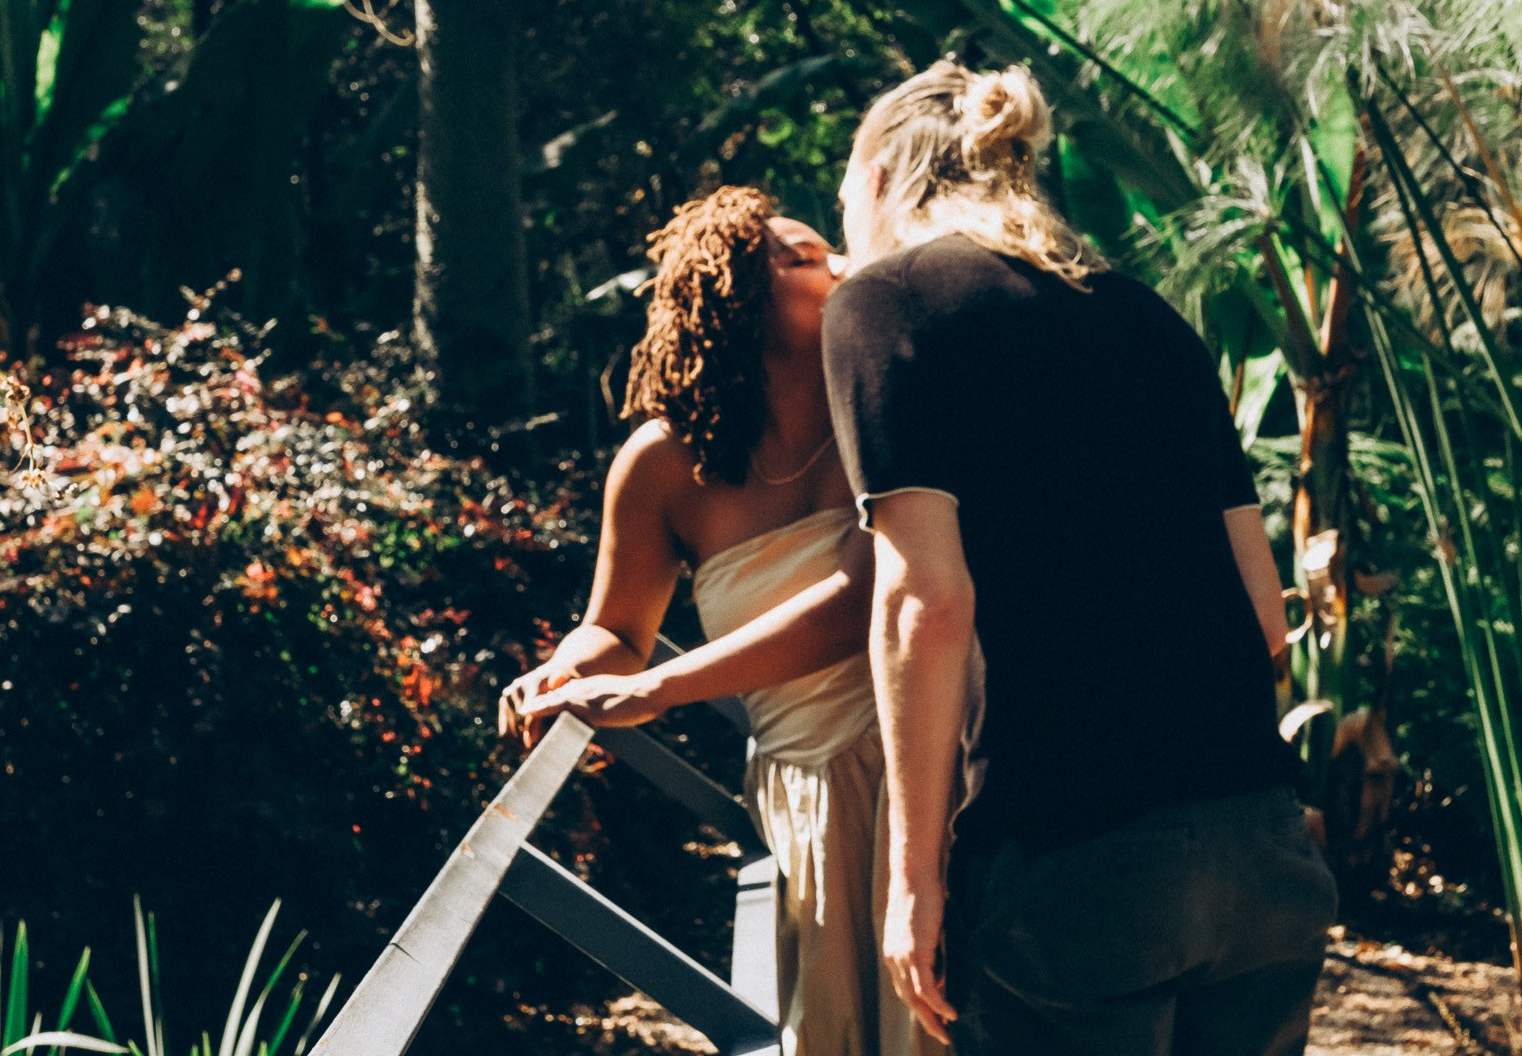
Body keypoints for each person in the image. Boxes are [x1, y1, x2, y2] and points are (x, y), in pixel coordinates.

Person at [822, 61, 1337, 1056]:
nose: (841, 221)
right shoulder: (1147, 320)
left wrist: (911, 878)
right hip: (1260, 854)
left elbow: (922, 606)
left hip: (1068, 866)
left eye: (842, 195)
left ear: (882, 179)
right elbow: (1264, 617)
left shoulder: (884, 308)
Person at [502, 186, 942, 1056]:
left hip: (928, 770)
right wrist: (564, 667)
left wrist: (659, 688)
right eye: (811, 256)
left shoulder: (889, 401)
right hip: (803, 807)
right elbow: (619, 630)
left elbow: (866, 602)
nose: (851, 267)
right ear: (736, 296)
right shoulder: (662, 466)